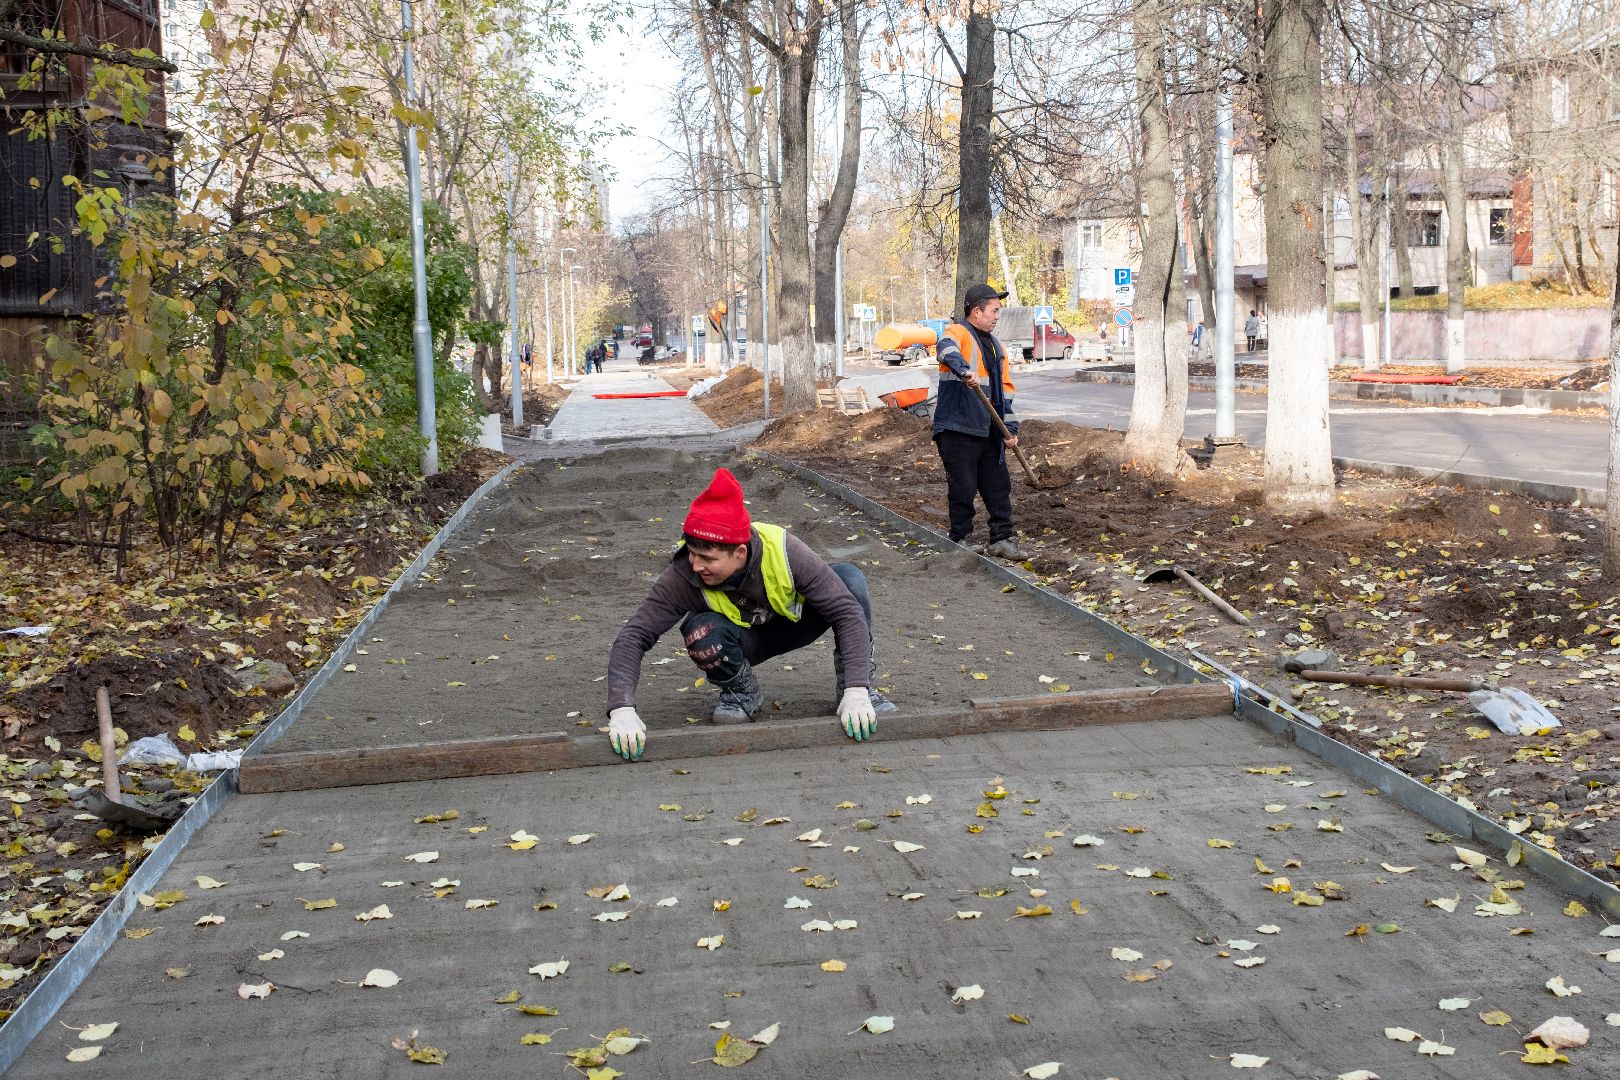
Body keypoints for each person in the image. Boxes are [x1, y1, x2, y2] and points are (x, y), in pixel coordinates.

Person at [604, 468, 897, 761]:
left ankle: (857, 692)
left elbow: (846, 612)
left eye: (708, 558)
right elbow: (635, 635)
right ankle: (741, 692)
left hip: (797, 624)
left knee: (849, 580)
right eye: (693, 553)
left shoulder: (783, 549)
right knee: (701, 631)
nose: (695, 565)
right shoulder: (683, 574)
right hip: (743, 642)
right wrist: (622, 709)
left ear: (740, 553)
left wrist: (856, 689)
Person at [931, 283, 1029, 561]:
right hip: (958, 427)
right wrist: (963, 370)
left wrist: (1009, 430)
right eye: (994, 310)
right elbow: (944, 349)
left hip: (989, 430)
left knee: (998, 486)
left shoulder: (997, 347)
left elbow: (1006, 391)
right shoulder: (958, 332)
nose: (998, 316)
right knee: (963, 486)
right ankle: (960, 538)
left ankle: (1002, 539)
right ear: (976, 311)